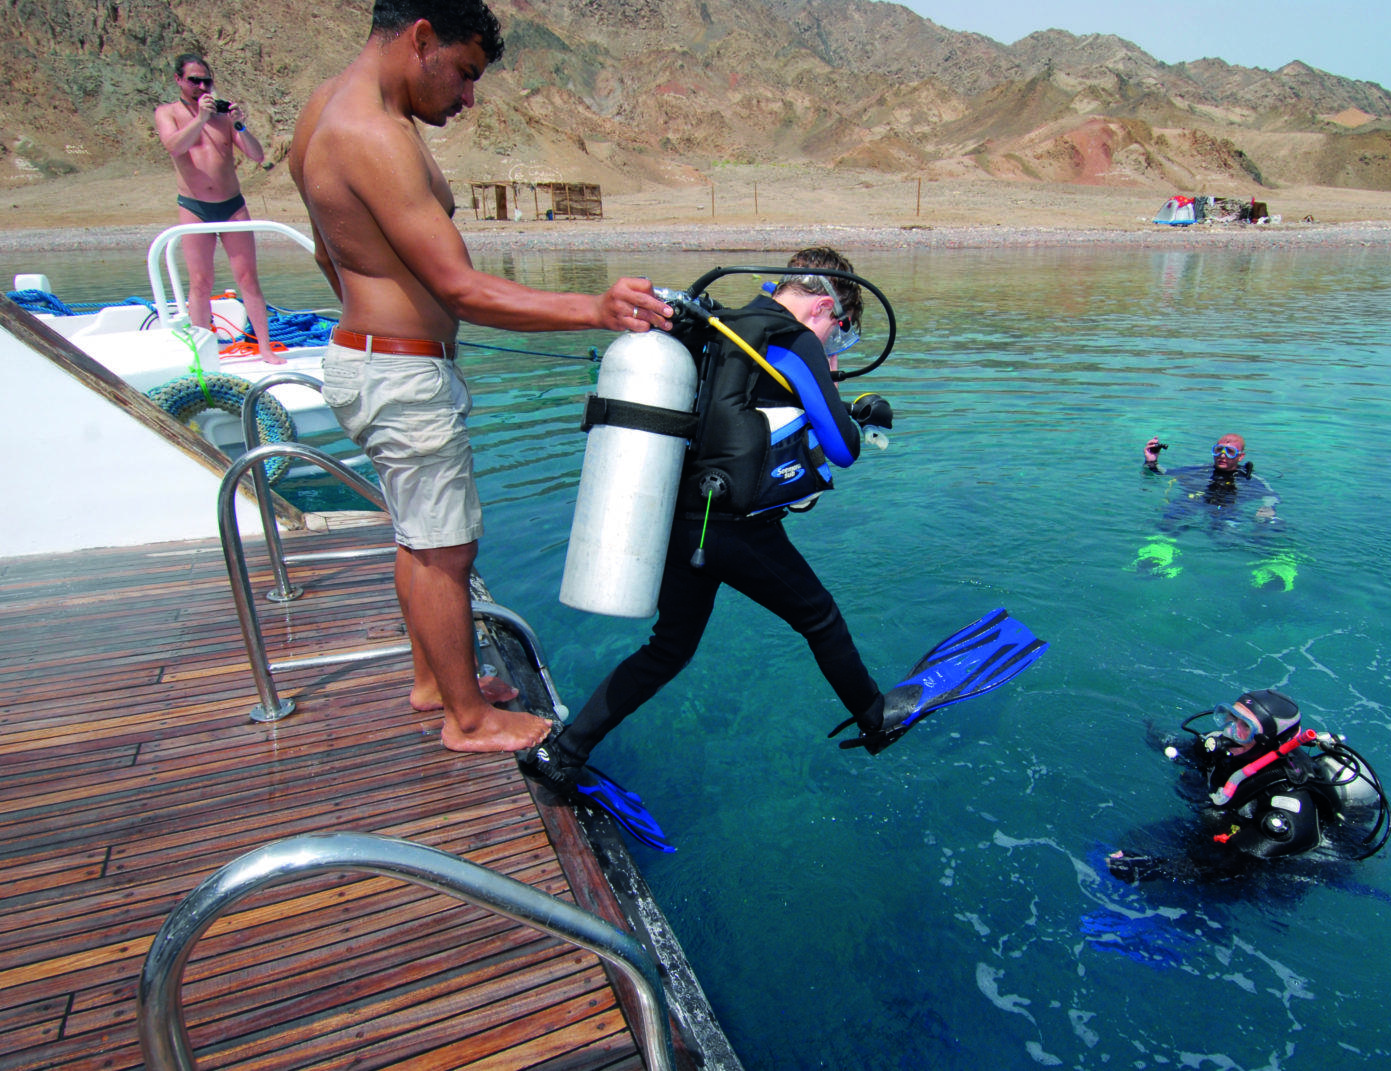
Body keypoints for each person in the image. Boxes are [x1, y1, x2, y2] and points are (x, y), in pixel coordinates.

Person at [288, 0, 671, 754]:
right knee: (446, 547)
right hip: (398, 375)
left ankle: (436, 681)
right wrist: (594, 306)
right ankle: (466, 719)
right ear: (421, 39)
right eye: (464, 75)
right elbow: (462, 288)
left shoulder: (322, 109)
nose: (468, 99)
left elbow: (327, 253)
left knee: (420, 538)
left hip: (373, 359)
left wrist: (379, 327)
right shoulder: (371, 134)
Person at [529, 247, 900, 788]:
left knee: (669, 648)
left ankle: (562, 755)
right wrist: (857, 411)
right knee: (819, 617)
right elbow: (843, 449)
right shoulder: (791, 338)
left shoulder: (719, 325)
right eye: (837, 333)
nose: (833, 349)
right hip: (732, 527)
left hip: (679, 517)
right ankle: (875, 718)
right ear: (822, 306)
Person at [1107, 689, 1391, 884]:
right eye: (1229, 717)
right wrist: (1138, 721)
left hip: (1275, 868)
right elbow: (1178, 749)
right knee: (1126, 844)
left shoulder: (1288, 801)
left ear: (1268, 741)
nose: (1228, 731)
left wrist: (1156, 868)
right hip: (1230, 830)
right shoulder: (1227, 748)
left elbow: (1238, 866)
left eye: (1243, 727)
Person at [154, 54, 279, 362]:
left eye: (206, 81)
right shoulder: (167, 113)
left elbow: (257, 155)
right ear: (178, 80)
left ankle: (264, 346)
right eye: (193, 80)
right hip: (195, 207)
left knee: (247, 277)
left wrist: (239, 124)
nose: (201, 86)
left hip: (232, 205)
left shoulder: (223, 117)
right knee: (200, 281)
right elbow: (174, 146)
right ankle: (203, 352)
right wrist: (199, 119)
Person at [1143, 432, 1277, 524]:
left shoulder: (1250, 479)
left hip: (1227, 511)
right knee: (1170, 517)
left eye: (1230, 452)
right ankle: (1160, 547)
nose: (1222, 455)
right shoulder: (1198, 470)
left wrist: (1268, 507)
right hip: (1191, 504)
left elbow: (1271, 496)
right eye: (1219, 450)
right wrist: (1151, 460)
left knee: (1229, 531)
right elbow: (1163, 473)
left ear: (1240, 456)